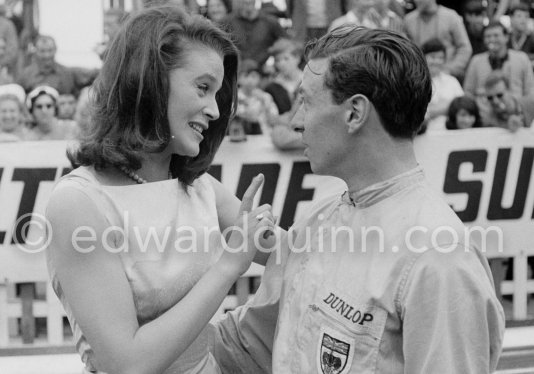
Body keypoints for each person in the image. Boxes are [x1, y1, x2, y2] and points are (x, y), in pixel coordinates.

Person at [211, 26, 505, 373]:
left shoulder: (439, 261)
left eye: (305, 101)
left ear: (354, 113)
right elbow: (247, 346)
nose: (296, 121)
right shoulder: (320, 217)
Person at [45, 6, 275, 374]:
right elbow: (128, 363)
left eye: (218, 94)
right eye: (203, 88)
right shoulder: (78, 202)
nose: (215, 110)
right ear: (148, 80)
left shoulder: (199, 188)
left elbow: (296, 253)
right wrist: (229, 264)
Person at [404, 0, 472, 81]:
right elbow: (406, 51)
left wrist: (450, 69)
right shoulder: (408, 20)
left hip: (448, 77)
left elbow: (465, 48)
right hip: (419, 78)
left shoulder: (451, 16)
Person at [220, 0, 287, 66]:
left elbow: (287, 43)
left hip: (263, 70)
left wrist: (272, 57)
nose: (247, 1)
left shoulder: (270, 21)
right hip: (235, 70)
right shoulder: (227, 21)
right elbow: (216, 45)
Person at [421, 38, 464, 132]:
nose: (437, 61)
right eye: (432, 57)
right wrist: (447, 106)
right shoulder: (415, 82)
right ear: (423, 57)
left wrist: (431, 111)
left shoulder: (452, 81)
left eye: (440, 58)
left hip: (452, 133)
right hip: (424, 134)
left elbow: (462, 107)